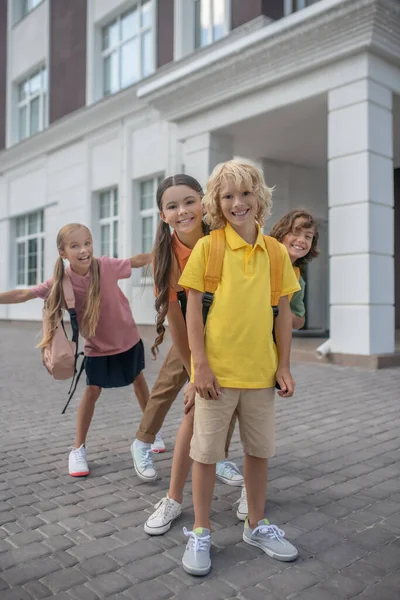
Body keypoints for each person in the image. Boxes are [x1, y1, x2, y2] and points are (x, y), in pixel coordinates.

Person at [178, 161, 300, 576]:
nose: (238, 203)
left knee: (259, 452)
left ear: (259, 197)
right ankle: (200, 529)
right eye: (227, 196)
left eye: (246, 193)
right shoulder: (208, 248)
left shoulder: (277, 252)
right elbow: (193, 311)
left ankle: (256, 524)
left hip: (261, 376)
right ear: (216, 203)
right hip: (217, 378)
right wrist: (201, 368)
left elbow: (282, 313)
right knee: (206, 455)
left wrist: (284, 365)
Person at [130, 175, 242, 523]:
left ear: (204, 202)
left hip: (231, 337)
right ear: (163, 215)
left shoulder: (224, 239)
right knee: (184, 399)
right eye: (173, 206)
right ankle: (167, 485)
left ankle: (217, 457)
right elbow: (177, 321)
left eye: (190, 201)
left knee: (227, 403)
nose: (183, 211)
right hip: (192, 338)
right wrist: (196, 372)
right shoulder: (166, 259)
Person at [0, 223, 150, 477]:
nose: (83, 250)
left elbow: (136, 261)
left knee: (139, 381)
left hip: (128, 338)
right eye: (75, 246)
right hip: (97, 347)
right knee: (92, 391)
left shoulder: (106, 266)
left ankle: (150, 432)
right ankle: (78, 449)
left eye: (87, 243)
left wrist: (167, 248)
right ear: (63, 253)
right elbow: (24, 294)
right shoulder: (61, 282)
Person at [270, 209, 319, 330]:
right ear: (281, 234)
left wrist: (282, 313)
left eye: (308, 236)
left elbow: (299, 320)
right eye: (295, 232)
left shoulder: (297, 279)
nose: (302, 240)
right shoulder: (262, 260)